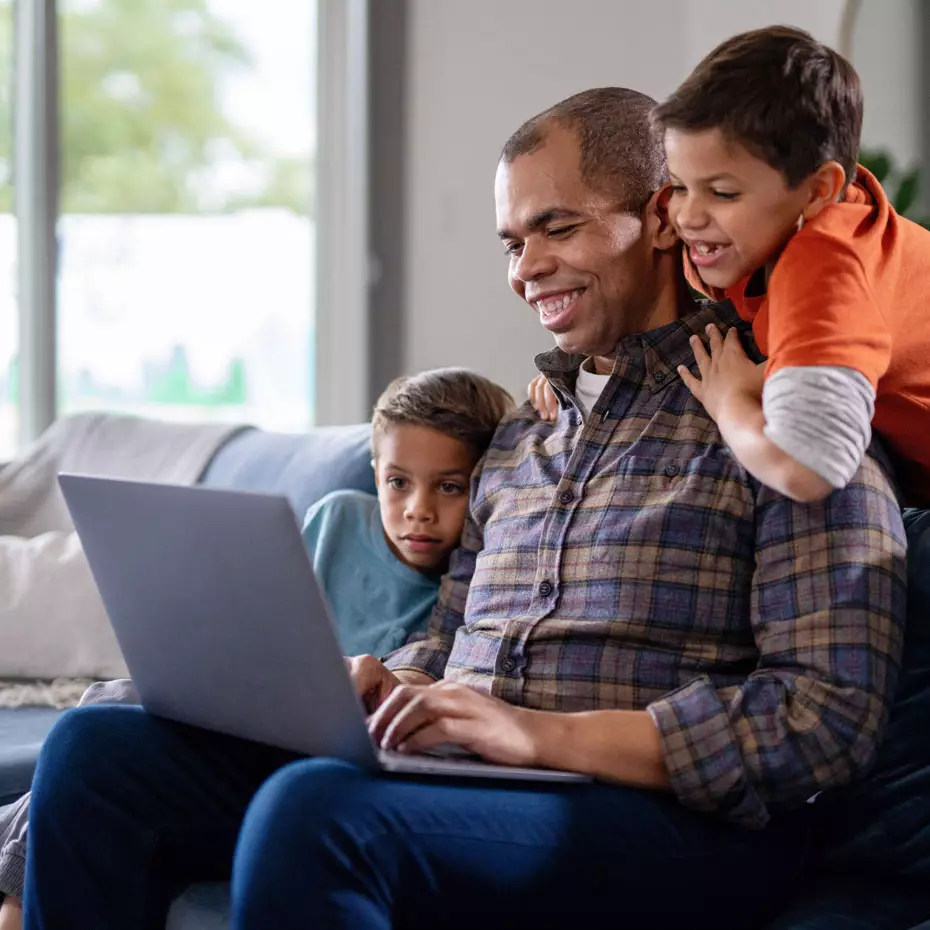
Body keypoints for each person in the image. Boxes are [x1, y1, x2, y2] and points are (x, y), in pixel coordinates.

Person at [22, 88, 906, 930]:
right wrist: (388, 682)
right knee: (97, 755)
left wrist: (541, 737)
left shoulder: (779, 425)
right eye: (511, 243)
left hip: (671, 824)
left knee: (318, 813)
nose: (526, 270)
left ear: (665, 214)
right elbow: (451, 639)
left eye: (556, 227)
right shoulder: (522, 441)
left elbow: (824, 721)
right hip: (474, 779)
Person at [0, 368, 512, 930]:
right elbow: (280, 620)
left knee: (88, 764)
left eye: (448, 487)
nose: (418, 509)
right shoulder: (340, 517)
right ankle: (20, 879)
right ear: (375, 473)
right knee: (110, 702)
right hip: (272, 713)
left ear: (484, 486)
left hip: (345, 750)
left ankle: (15, 890)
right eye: (398, 482)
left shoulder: (477, 576)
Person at [654, 26, 930, 506]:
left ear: (819, 189)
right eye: (679, 186)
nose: (688, 217)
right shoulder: (754, 231)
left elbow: (808, 468)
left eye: (722, 193)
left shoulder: (825, 260)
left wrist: (729, 403)